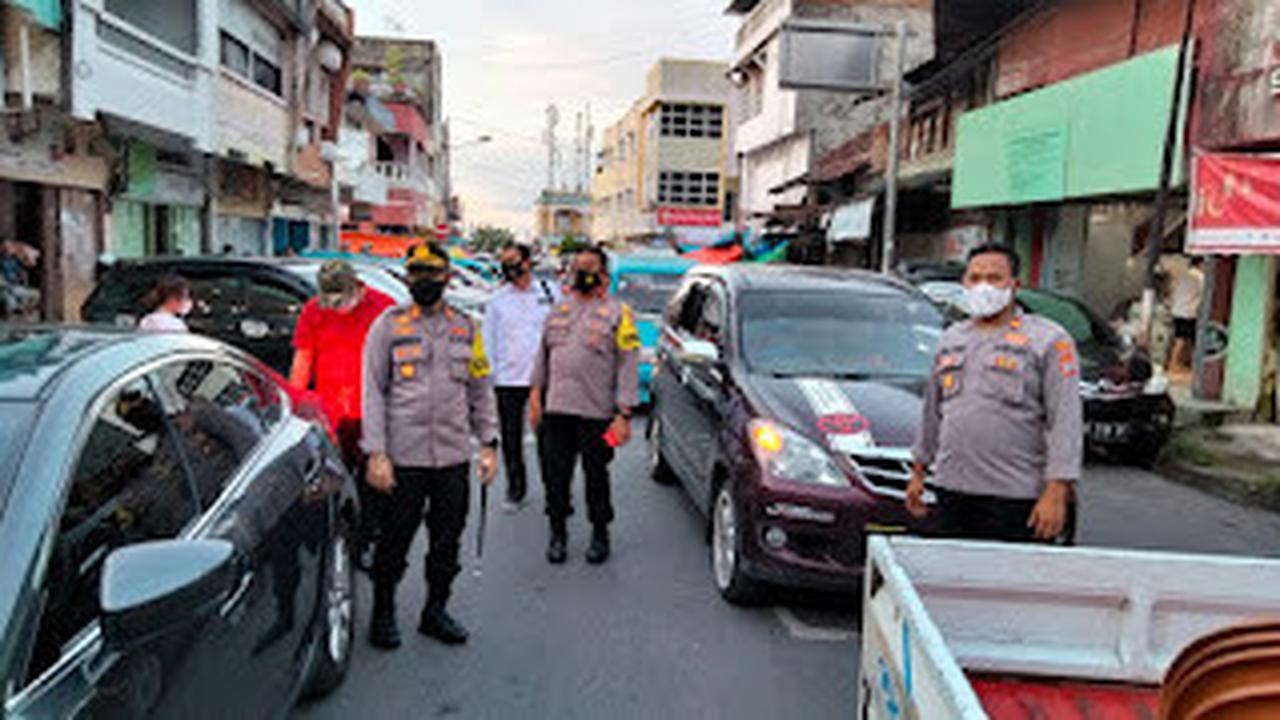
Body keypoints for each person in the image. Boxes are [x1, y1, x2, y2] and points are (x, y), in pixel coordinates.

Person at [362, 242, 499, 649]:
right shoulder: (387, 326)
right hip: (403, 457)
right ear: (407, 278)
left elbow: (480, 388)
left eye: (432, 274)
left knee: (447, 542)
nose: (424, 281)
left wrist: (488, 443)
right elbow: (373, 391)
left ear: (446, 277)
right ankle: (383, 613)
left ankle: (435, 611)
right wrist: (377, 453)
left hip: (452, 456)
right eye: (416, 274)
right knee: (393, 542)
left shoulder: (466, 327)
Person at [906, 244, 1083, 543]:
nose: (983, 286)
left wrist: (1057, 489)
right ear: (963, 284)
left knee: (1010, 585)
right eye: (974, 278)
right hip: (953, 491)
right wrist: (919, 471)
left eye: (994, 278)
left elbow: (1065, 418)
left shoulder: (1049, 339)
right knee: (956, 581)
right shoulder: (951, 338)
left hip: (1016, 498)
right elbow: (933, 410)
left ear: (1015, 285)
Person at [529, 245, 640, 565]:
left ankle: (600, 532)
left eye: (589, 267)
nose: (581, 274)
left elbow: (628, 364)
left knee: (597, 474)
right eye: (577, 267)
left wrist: (624, 414)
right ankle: (557, 533)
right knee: (555, 476)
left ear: (603, 275)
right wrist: (535, 397)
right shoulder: (557, 310)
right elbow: (542, 356)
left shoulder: (620, 313)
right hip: (556, 412)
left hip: (599, 416)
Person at [290, 260, 395, 569]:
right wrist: (297, 407)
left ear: (357, 289)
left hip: (373, 410)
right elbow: (303, 359)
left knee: (374, 481)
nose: (336, 308)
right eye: (330, 302)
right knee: (335, 478)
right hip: (331, 411)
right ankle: (343, 538)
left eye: (341, 300)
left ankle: (371, 540)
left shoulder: (383, 308)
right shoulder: (313, 311)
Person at [484, 241, 559, 513]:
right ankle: (516, 488)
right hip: (508, 379)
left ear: (527, 262)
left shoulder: (550, 293)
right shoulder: (497, 300)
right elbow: (489, 341)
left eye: (514, 260)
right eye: (504, 262)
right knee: (511, 438)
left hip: (544, 378)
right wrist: (490, 380)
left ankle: (555, 491)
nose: (509, 267)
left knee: (549, 439)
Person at [1169, 257, 1206, 375]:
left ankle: (1179, 364)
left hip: (1177, 310)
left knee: (1181, 339)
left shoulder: (1182, 275)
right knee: (1184, 340)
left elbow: (1172, 290)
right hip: (1189, 311)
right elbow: (1204, 293)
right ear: (1200, 264)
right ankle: (1174, 365)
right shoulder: (1200, 277)